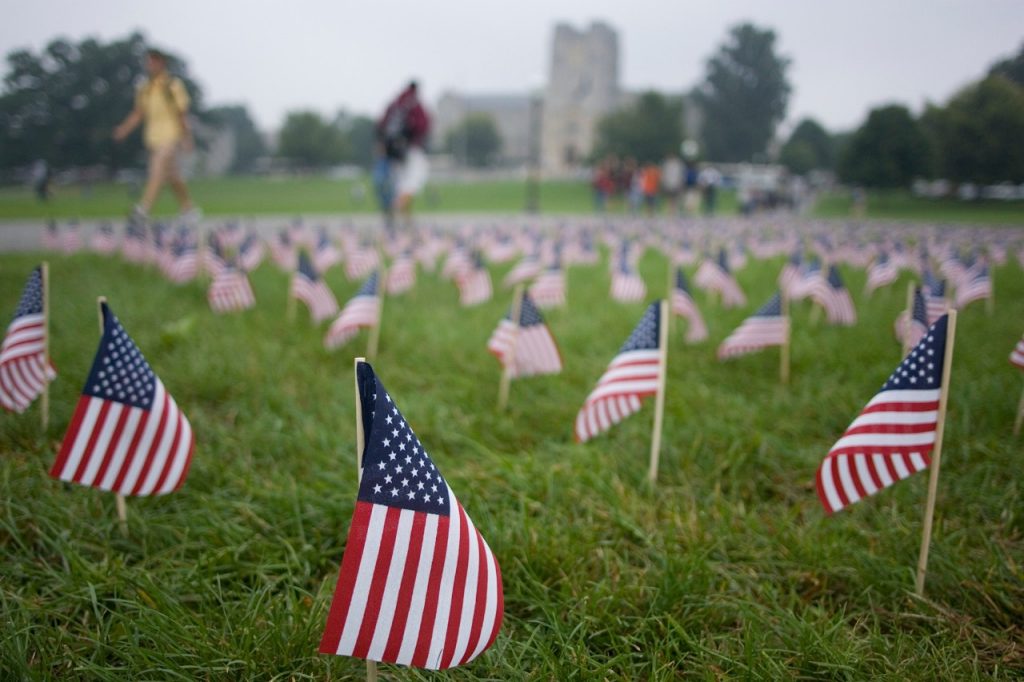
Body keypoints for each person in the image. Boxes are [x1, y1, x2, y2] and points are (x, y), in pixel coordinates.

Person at [113, 48, 199, 224]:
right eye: (148, 61)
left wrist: (186, 137)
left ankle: (144, 208)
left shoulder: (172, 85)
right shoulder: (145, 88)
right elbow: (138, 113)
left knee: (157, 168)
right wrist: (124, 128)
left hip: (171, 136)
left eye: (153, 61)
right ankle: (188, 208)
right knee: (173, 176)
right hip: (153, 138)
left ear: (161, 63)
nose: (150, 65)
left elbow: (182, 114)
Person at [376, 81, 431, 226]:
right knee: (413, 182)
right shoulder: (413, 105)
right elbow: (423, 126)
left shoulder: (395, 104)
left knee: (400, 185)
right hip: (411, 150)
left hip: (394, 154)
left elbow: (381, 125)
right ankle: (394, 209)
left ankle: (405, 218)